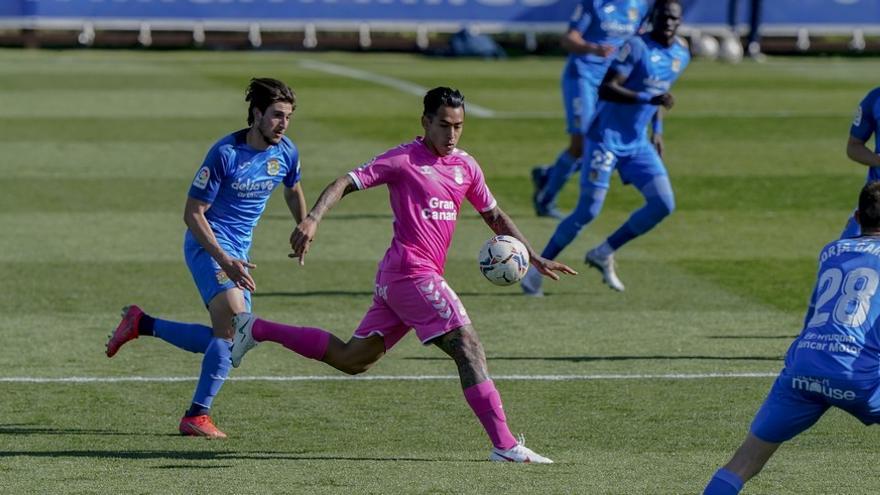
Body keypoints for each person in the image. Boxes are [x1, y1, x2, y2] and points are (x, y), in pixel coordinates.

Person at [229, 87, 576, 462]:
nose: (451, 135)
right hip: (412, 273)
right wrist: (312, 218)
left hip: (399, 279)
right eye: (443, 125)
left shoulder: (466, 166)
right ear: (426, 122)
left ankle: (256, 328)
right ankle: (506, 446)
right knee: (468, 346)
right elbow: (346, 181)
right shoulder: (403, 159)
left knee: (352, 359)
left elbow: (494, 214)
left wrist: (532, 255)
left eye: (459, 126)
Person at [105, 78, 306, 438]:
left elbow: (293, 189)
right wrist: (224, 259)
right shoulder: (225, 153)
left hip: (239, 253)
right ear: (257, 114)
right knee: (239, 327)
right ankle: (196, 415)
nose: (283, 124)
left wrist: (303, 226)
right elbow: (193, 214)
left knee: (229, 338)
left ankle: (142, 324)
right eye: (277, 115)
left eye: (288, 117)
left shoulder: (286, 151)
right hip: (207, 245)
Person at [703, 180, 880, 494]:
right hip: (858, 376)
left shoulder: (832, 250)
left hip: (803, 368)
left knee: (743, 463)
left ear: (856, 216)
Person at [521, 0, 688, 295]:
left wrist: (657, 131)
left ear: (681, 20)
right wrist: (646, 100)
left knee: (664, 204)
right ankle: (538, 268)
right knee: (587, 211)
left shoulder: (681, 53)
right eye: (663, 17)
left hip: (637, 144)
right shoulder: (636, 47)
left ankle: (604, 250)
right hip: (605, 138)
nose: (668, 23)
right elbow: (608, 88)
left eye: (673, 18)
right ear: (653, 19)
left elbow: (658, 94)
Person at [531, 0, 649, 219]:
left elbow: (640, 40)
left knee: (603, 146)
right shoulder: (593, 4)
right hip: (583, 77)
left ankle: (550, 174)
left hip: (612, 84)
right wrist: (593, 48)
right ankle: (545, 198)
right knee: (583, 143)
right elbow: (569, 39)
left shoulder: (639, 5)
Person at [841, 86, 880, 239]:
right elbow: (853, 147)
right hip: (876, 203)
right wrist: (878, 160)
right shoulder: (875, 98)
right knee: (846, 253)